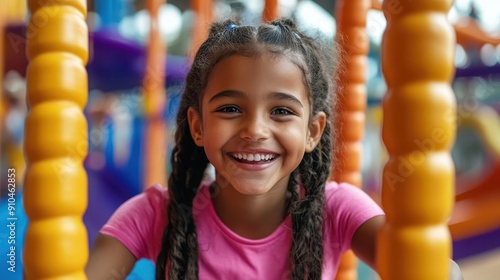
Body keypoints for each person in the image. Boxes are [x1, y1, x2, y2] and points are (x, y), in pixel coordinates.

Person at [86, 18, 460, 280]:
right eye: (230, 109)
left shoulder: (337, 209)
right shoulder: (155, 214)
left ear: (313, 131)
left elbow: (438, 270)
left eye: (281, 111)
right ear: (198, 126)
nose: (254, 130)